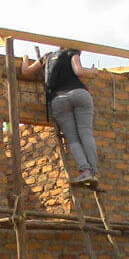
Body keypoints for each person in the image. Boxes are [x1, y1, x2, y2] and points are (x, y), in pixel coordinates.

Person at [21, 48, 99, 186]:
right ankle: (94, 172)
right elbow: (79, 71)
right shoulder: (71, 52)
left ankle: (85, 171)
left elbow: (25, 71)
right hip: (79, 94)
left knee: (73, 139)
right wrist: (92, 72)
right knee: (86, 133)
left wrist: (25, 58)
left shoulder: (47, 57)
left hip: (59, 99)